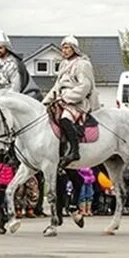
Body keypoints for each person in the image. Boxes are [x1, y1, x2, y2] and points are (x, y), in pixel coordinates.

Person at [42, 35, 100, 167]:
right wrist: (45, 102)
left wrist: (66, 97)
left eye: (67, 48)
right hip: (61, 100)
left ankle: (75, 151)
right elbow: (57, 87)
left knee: (64, 119)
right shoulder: (63, 64)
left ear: (74, 48)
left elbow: (85, 86)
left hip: (77, 102)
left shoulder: (82, 64)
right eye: (62, 48)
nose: (64, 50)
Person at [0, 30, 42, 101]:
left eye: (0, 48)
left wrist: (7, 99)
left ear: (6, 48)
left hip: (8, 96)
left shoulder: (14, 64)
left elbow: (16, 87)